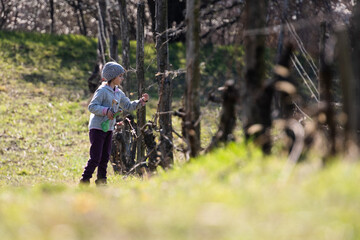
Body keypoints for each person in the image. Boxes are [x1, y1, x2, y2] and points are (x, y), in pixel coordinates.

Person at [80, 62, 149, 185]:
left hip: (109, 128)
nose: (122, 78)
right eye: (120, 76)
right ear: (113, 77)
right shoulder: (102, 91)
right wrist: (106, 111)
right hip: (97, 127)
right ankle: (84, 180)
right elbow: (92, 106)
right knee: (95, 157)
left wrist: (141, 101)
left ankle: (101, 181)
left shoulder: (118, 92)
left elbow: (128, 105)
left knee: (105, 156)